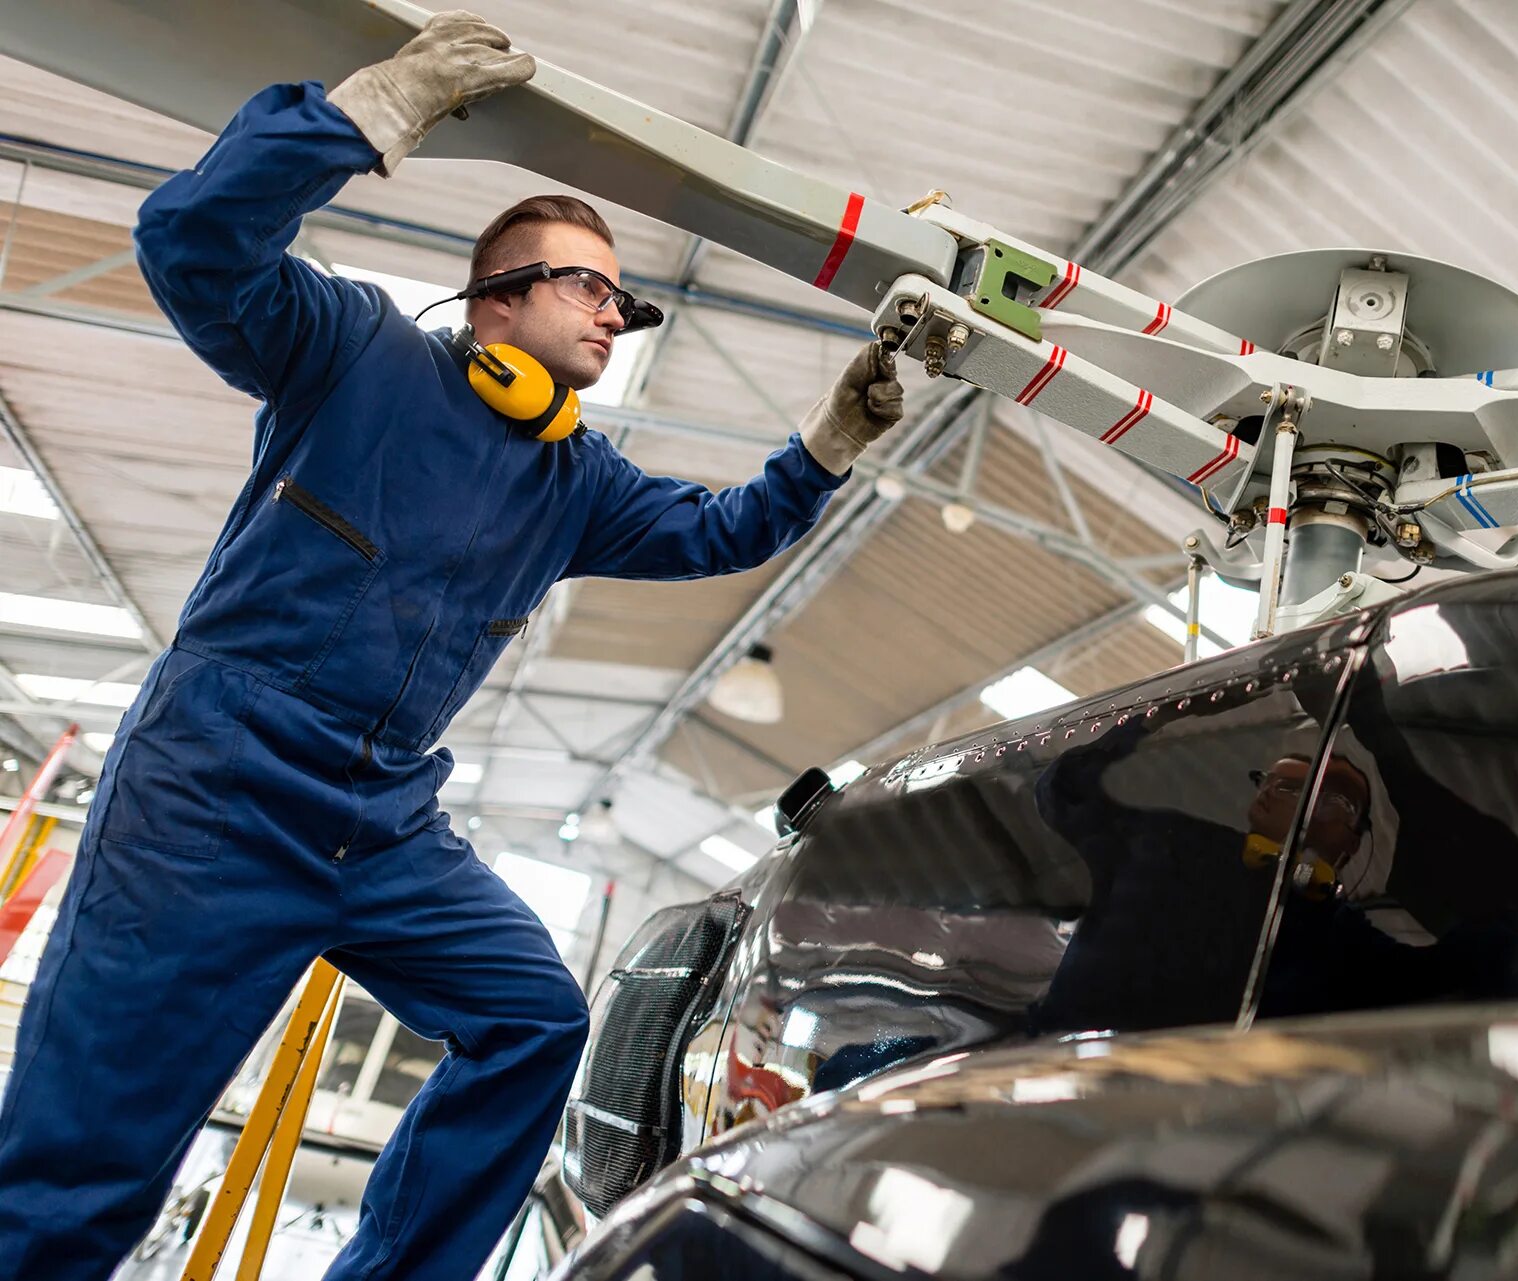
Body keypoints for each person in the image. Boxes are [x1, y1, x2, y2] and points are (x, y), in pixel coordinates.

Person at [0, 12, 904, 1278]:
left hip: (382, 816)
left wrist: (822, 450)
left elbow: (721, 534)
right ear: (496, 296)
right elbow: (192, 243)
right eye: (590, 283)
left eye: (623, 298)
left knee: (533, 1020)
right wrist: (370, 111)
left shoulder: (575, 478)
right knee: (83, 1162)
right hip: (215, 788)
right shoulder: (351, 351)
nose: (617, 314)